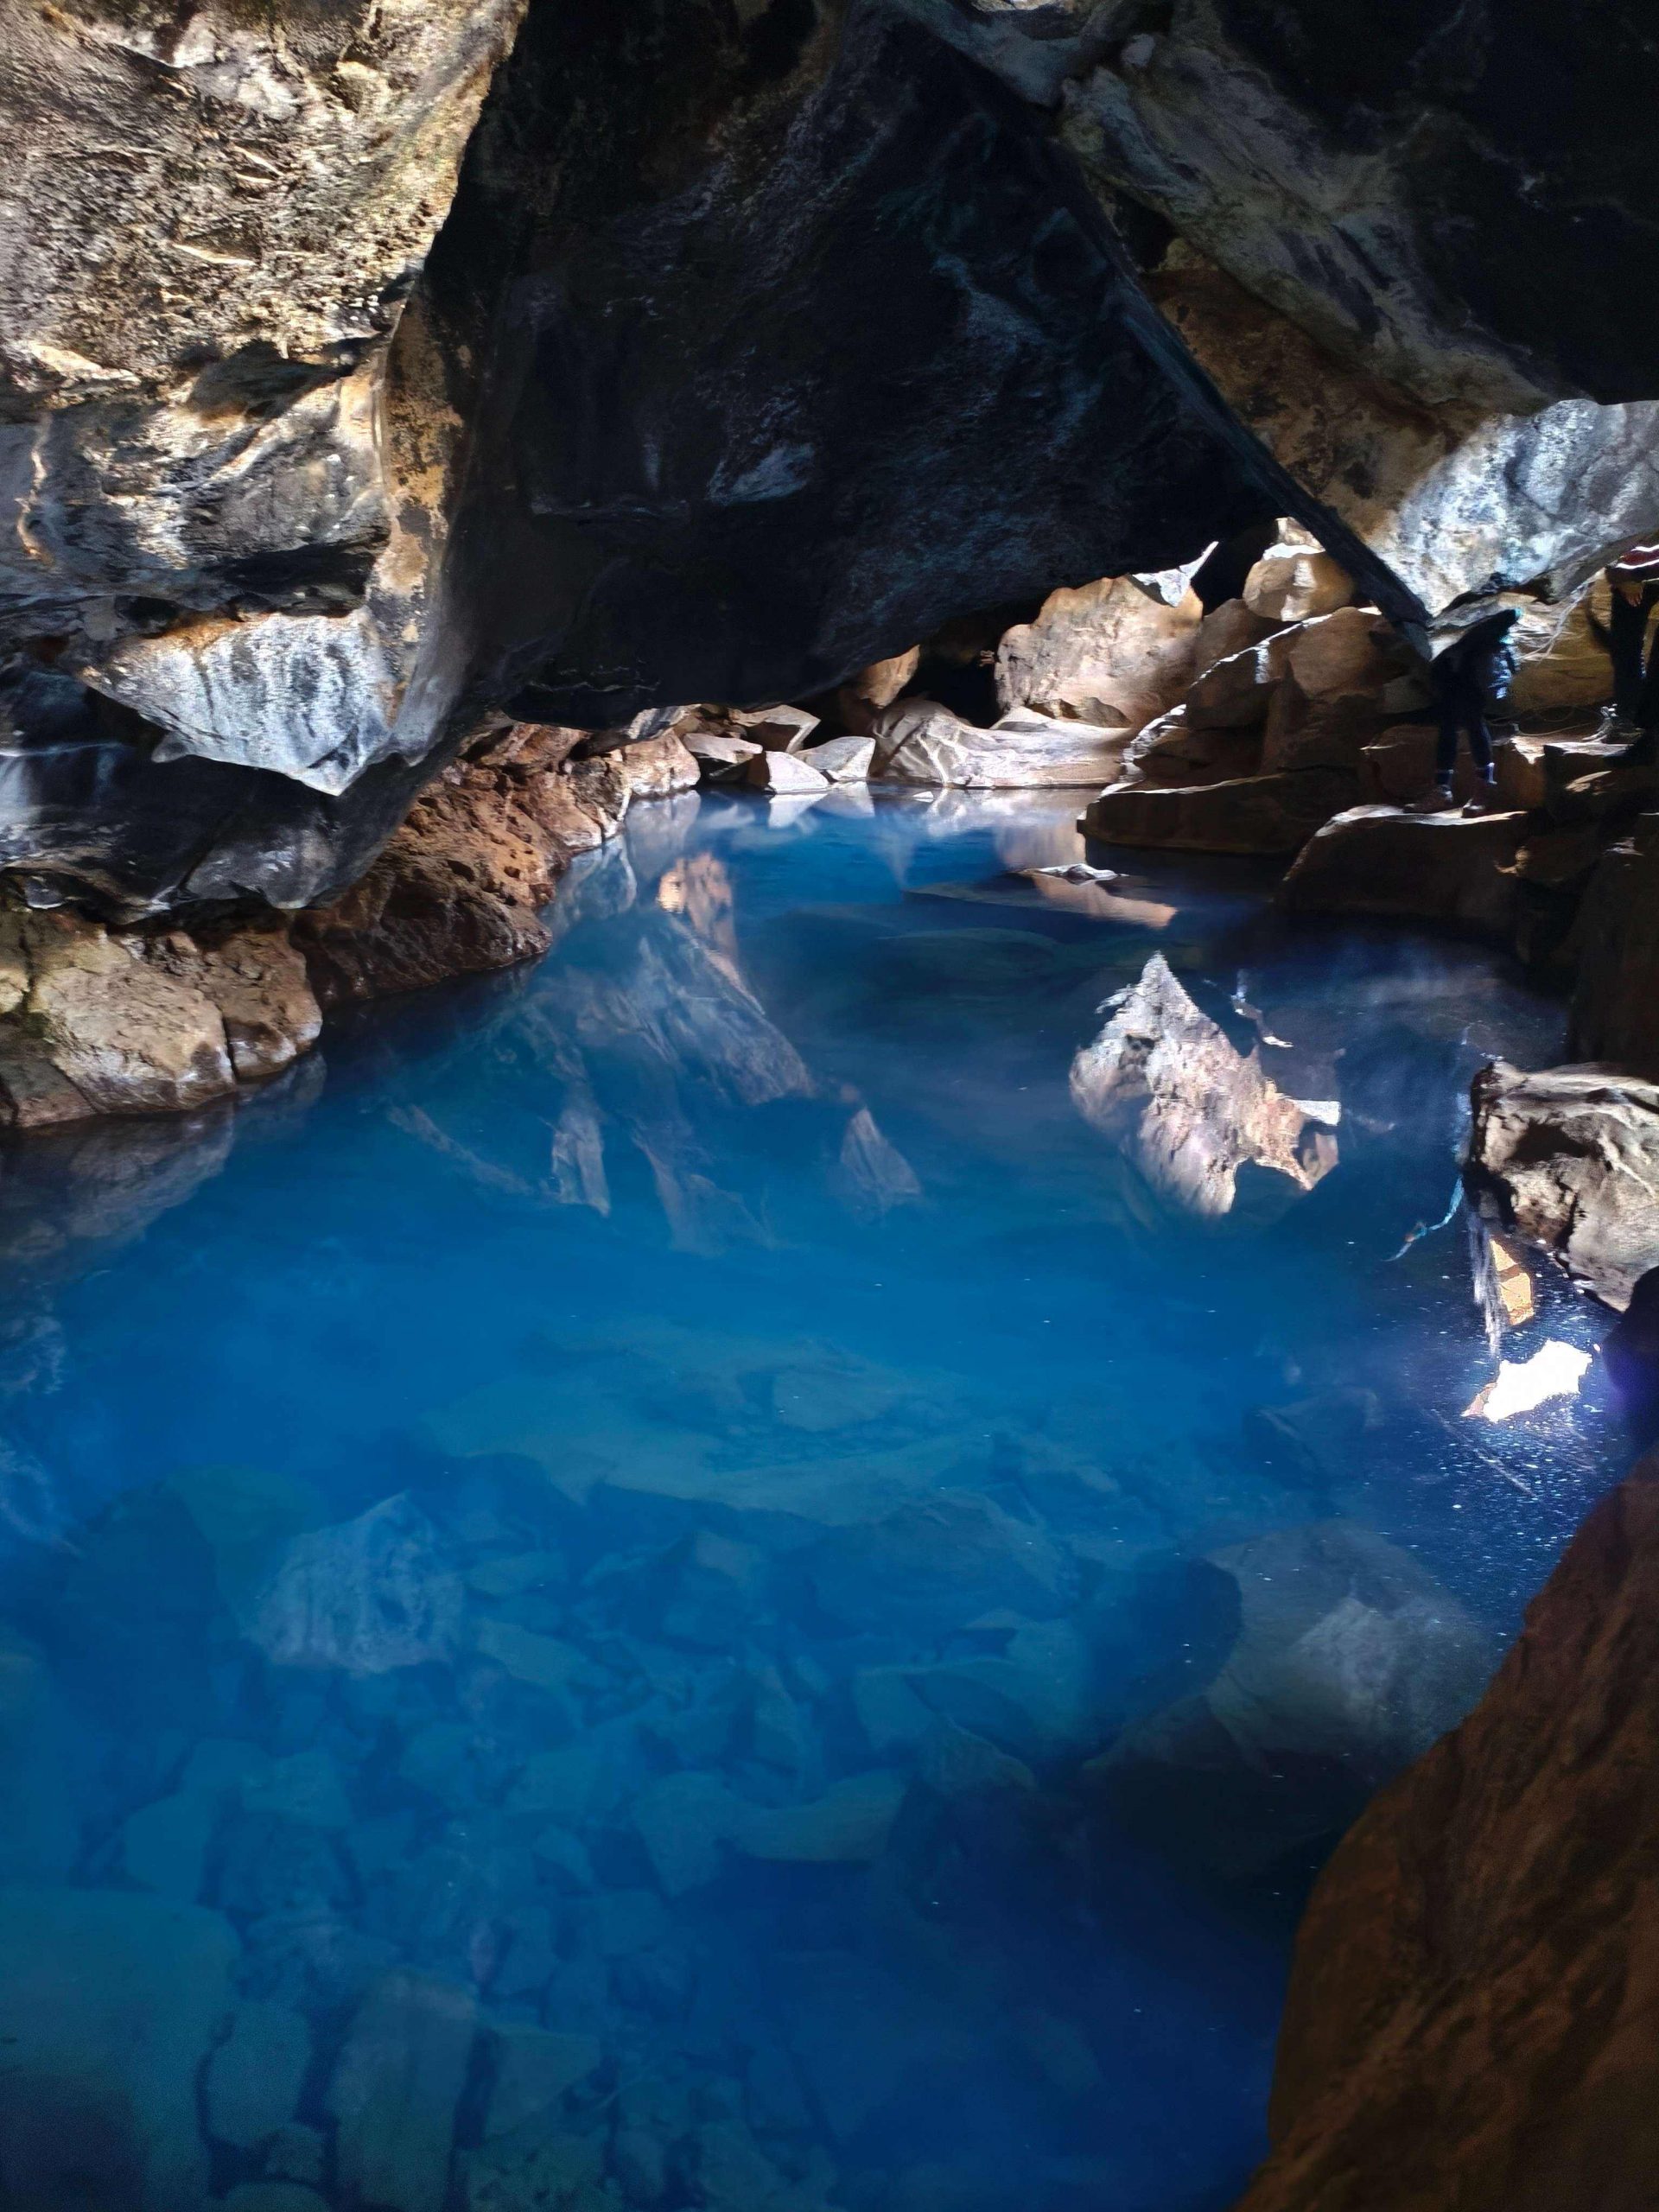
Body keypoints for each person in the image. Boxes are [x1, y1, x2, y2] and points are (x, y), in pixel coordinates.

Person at [1427, 607, 1520, 811]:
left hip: (1475, 659)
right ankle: (1442, 789)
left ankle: (1484, 789)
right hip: (1449, 657)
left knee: (1473, 719)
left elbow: (1512, 612)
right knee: (1447, 722)